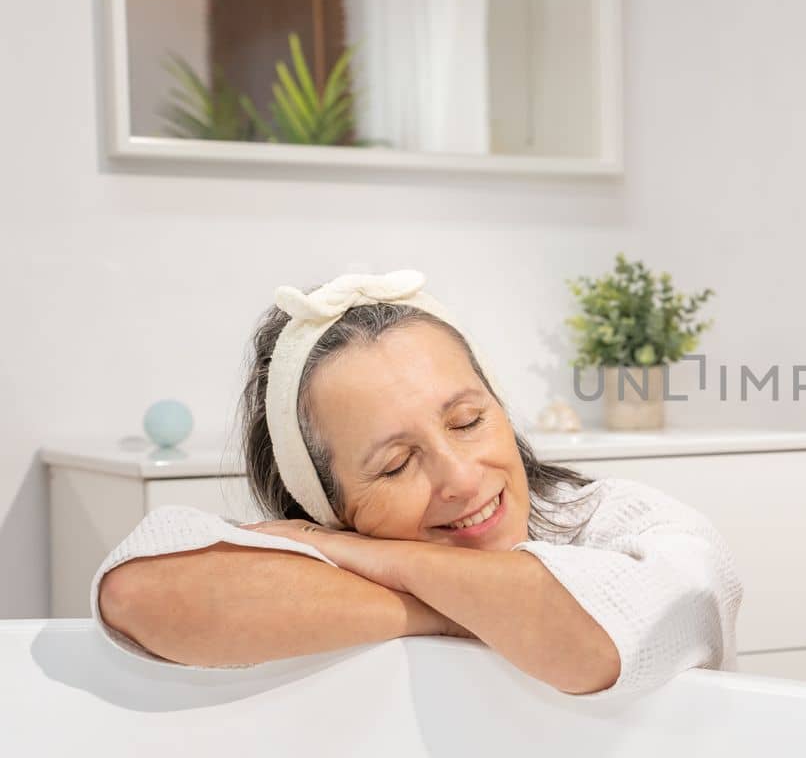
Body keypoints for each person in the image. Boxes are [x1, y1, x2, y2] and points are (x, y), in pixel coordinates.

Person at [93, 271, 741, 696]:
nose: (461, 477)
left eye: (467, 421)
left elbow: (603, 635)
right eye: (396, 465)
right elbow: (136, 592)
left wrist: (379, 559)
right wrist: (469, 605)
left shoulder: (628, 524)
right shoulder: (312, 554)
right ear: (327, 505)